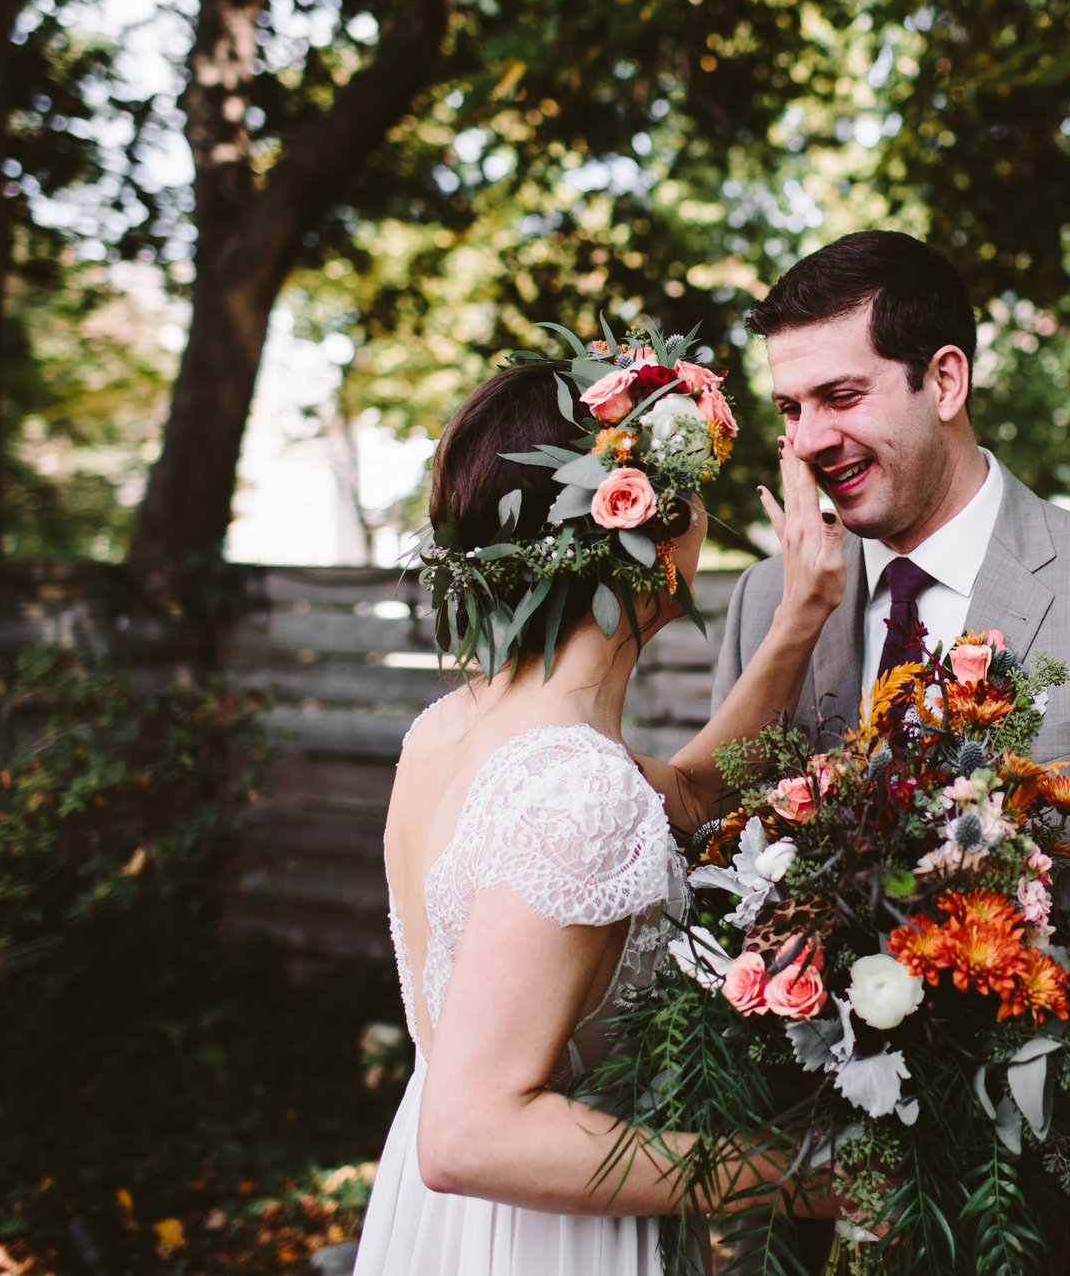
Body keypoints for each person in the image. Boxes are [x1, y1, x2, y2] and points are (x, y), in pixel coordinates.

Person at [710, 231, 1070, 1276]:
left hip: (1038, 1222)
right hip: (796, 1217)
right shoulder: (766, 601)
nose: (811, 438)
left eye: (841, 395)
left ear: (944, 377)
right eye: (789, 409)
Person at [354, 351, 846, 1276]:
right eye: (694, 492)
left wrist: (803, 612)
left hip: (438, 1227)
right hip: (546, 1229)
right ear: (649, 527)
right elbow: (469, 1136)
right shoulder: (577, 786)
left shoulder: (456, 728)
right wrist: (804, 1172)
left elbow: (696, 795)